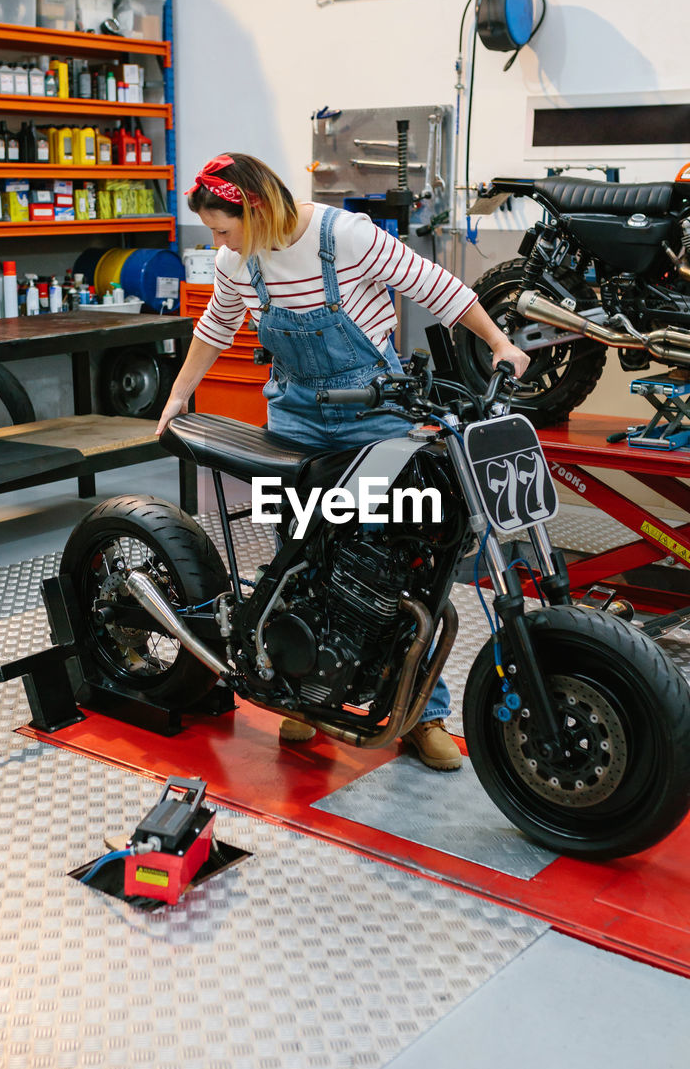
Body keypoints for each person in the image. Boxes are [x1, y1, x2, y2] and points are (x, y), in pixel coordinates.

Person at [158, 153, 529, 770]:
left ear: (252, 208)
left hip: (376, 414)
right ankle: (304, 694)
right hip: (295, 418)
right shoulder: (236, 262)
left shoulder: (344, 237)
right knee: (301, 553)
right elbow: (215, 329)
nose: (216, 243)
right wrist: (175, 398)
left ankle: (420, 717)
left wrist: (500, 343)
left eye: (222, 228)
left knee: (396, 564)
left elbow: (439, 288)